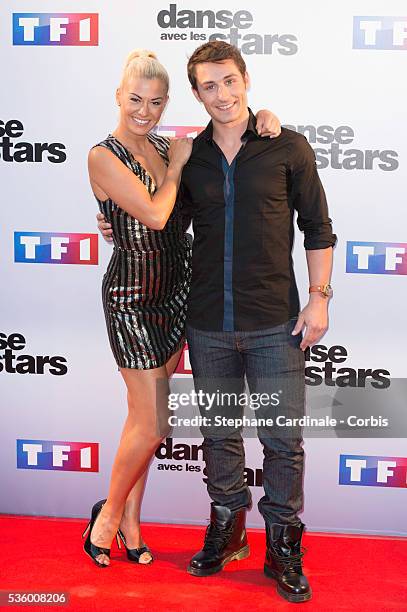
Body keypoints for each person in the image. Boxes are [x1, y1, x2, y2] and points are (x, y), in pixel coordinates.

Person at [99, 41, 337, 602]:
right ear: (198, 93)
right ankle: (228, 530)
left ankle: (282, 543)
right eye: (209, 86)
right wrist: (112, 220)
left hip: (275, 322)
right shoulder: (191, 157)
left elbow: (319, 228)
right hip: (206, 323)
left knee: (283, 441)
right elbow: (159, 215)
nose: (222, 94)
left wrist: (320, 297)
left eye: (229, 81)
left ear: (246, 79)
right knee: (219, 437)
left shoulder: (288, 147)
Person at [85, 48, 281, 569]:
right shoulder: (104, 154)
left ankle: (130, 521)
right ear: (118, 97)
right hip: (132, 299)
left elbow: (200, 201)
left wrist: (267, 117)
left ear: (167, 101)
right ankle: (105, 516)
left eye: (154, 101)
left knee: (139, 421)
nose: (144, 110)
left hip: (177, 295)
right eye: (134, 99)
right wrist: (175, 166)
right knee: (153, 424)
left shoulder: (161, 146)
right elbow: (152, 214)